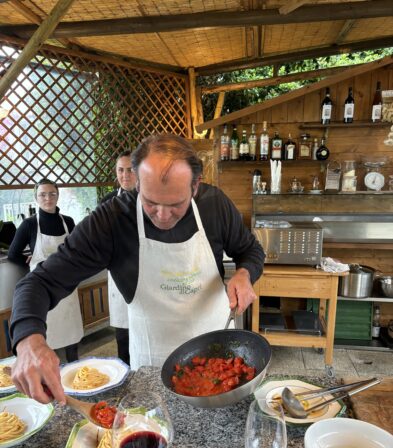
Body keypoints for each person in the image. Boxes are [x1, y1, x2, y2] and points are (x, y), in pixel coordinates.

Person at [10, 134, 265, 404]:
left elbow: (250, 250)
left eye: (176, 204)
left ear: (195, 185)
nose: (163, 216)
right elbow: (38, 282)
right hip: (151, 367)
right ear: (137, 182)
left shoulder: (215, 205)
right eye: (151, 202)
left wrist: (244, 273)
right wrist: (28, 340)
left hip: (220, 362)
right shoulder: (112, 220)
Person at [8, 178, 84, 363]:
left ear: (57, 196)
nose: (48, 198)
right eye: (42, 194)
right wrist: (30, 263)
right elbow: (13, 254)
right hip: (42, 289)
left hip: (67, 288)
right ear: (36, 197)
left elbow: (77, 250)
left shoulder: (68, 221)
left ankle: (74, 370)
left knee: (71, 334)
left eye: (52, 193)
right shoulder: (29, 225)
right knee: (47, 337)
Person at [100, 151, 136, 366]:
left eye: (130, 169)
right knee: (123, 333)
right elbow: (99, 237)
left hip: (147, 272)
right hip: (118, 270)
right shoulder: (107, 202)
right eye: (121, 170)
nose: (125, 175)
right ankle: (125, 375)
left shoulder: (151, 199)